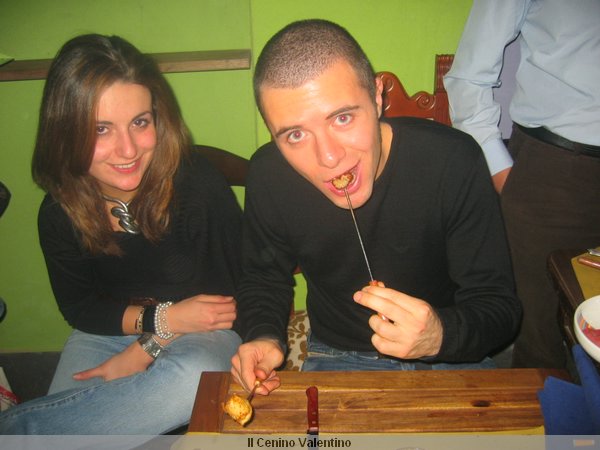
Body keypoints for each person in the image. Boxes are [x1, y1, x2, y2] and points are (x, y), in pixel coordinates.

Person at [230, 19, 522, 395]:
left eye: (342, 118)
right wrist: (263, 337)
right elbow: (263, 278)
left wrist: (440, 335)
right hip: (339, 355)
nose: (329, 158)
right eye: (296, 135)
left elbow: (500, 307)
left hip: (452, 355)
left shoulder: (454, 160)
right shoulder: (269, 175)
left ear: (378, 95)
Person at [0, 34, 243, 434]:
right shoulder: (59, 212)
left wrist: (147, 347)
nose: (127, 150)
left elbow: (225, 302)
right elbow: (82, 308)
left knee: (193, 380)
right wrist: (160, 320)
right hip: (111, 331)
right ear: (65, 133)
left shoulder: (199, 186)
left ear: (157, 118)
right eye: (101, 129)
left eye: (139, 122)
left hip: (206, 331)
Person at [444, 0, 600, 368]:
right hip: (559, 171)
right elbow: (468, 78)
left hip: (559, 167)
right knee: (545, 348)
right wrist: (502, 173)